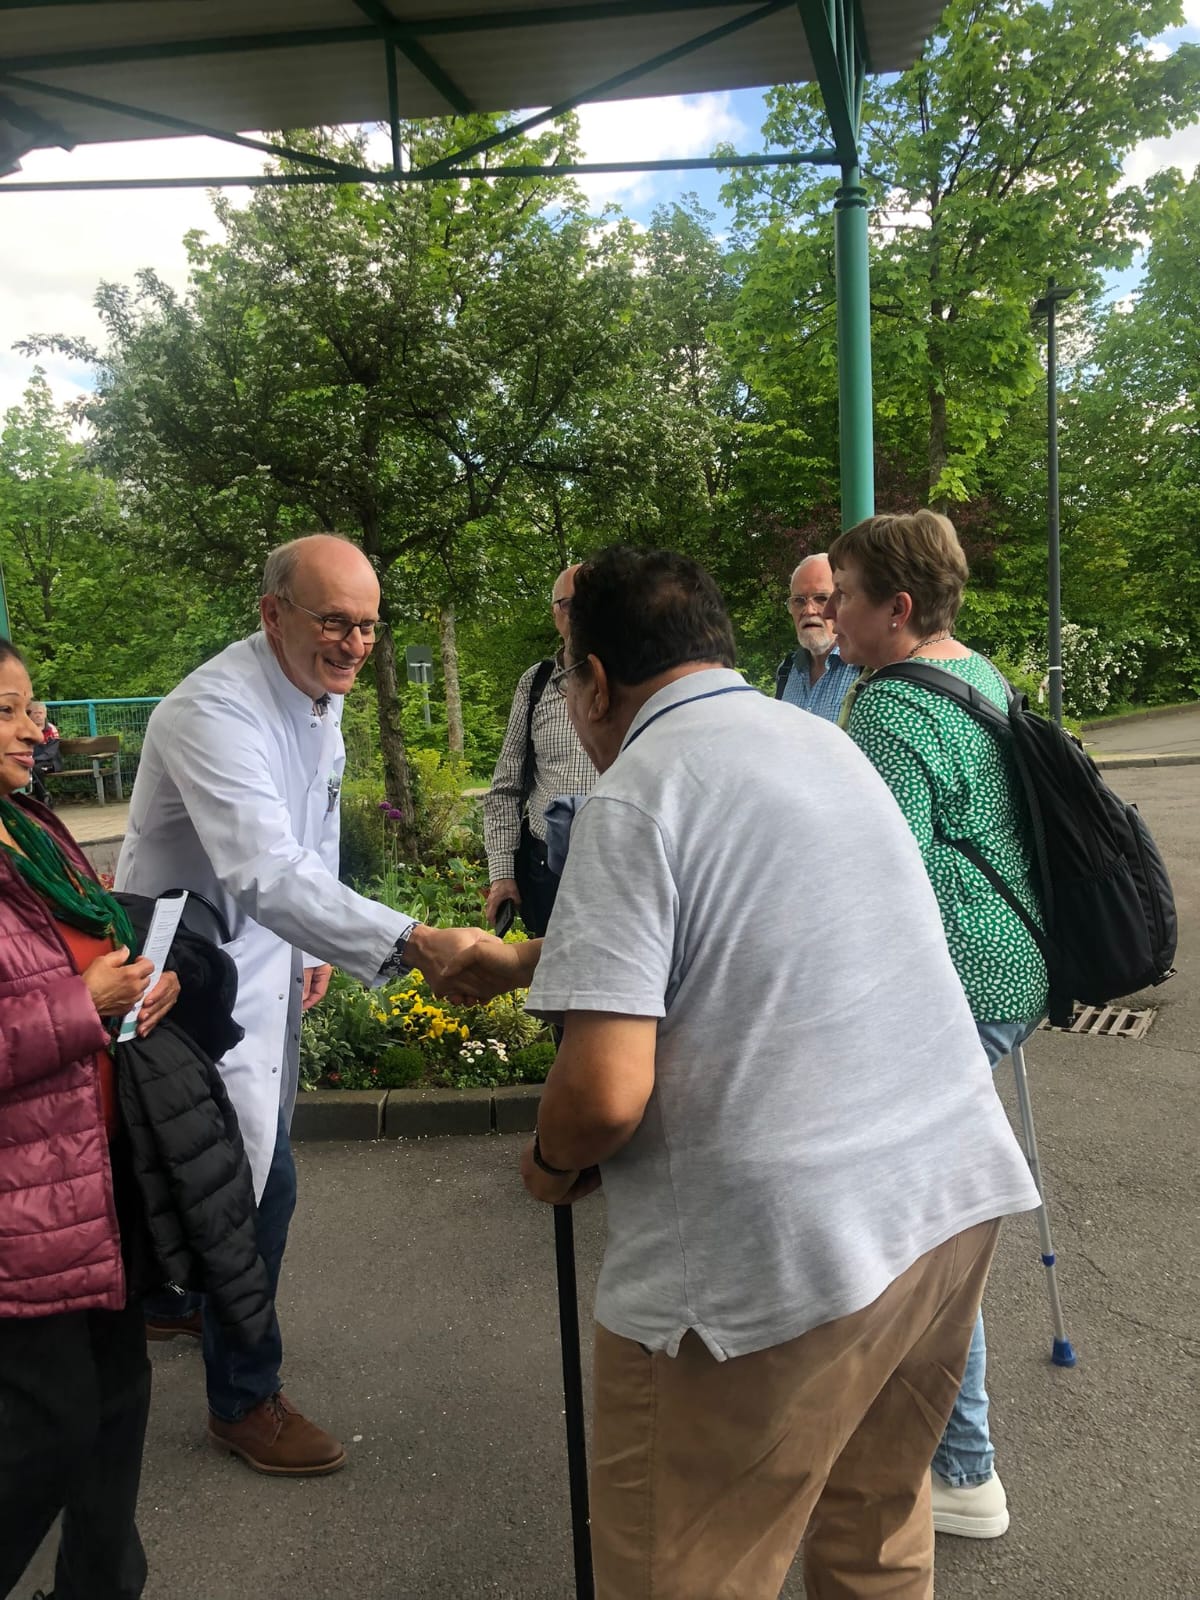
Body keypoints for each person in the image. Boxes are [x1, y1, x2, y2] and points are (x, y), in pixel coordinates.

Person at [446, 546, 1041, 1600]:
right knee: (876, 1536)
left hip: (780, 1265)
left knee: (685, 1570)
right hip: (945, 1207)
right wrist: (533, 959)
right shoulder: (825, 741)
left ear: (594, 681)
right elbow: (757, 921)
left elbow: (602, 1096)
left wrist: (548, 1161)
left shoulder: (636, 793)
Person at [116, 534, 494, 1477]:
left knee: (218, 1169)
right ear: (271, 612)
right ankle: (243, 1397)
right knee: (254, 1182)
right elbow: (264, 866)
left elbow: (313, 829)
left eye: (367, 625)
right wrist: (411, 941)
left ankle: (175, 1299)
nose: (355, 644)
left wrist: (313, 946)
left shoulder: (319, 693)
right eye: (334, 621)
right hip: (183, 974)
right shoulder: (211, 711)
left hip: (263, 954)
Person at [825, 508, 1050, 1541]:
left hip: (952, 985)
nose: (833, 613)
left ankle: (962, 1469)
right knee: (934, 1216)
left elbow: (887, 883)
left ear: (897, 608)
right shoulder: (980, 673)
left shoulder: (887, 707)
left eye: (845, 596)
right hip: (1016, 963)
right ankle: (957, 1460)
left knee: (924, 1234)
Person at [0, 640, 174, 1600]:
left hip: (97, 1171)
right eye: (7, 710)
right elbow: (67, 993)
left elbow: (95, 936)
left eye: (32, 706)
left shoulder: (27, 824)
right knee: (48, 1429)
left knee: (117, 1405)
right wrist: (82, 1005)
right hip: (21, 1202)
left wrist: (144, 981)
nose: (37, 729)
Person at [482, 564, 596, 936]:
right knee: (548, 965)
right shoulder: (536, 683)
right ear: (554, 612)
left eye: (591, 601)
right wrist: (502, 874)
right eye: (569, 604)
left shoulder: (636, 682)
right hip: (547, 871)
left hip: (616, 868)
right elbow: (505, 788)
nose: (579, 613)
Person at [773, 552, 860, 721]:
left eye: (821, 598)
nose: (809, 610)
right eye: (799, 601)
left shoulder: (864, 670)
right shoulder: (786, 670)